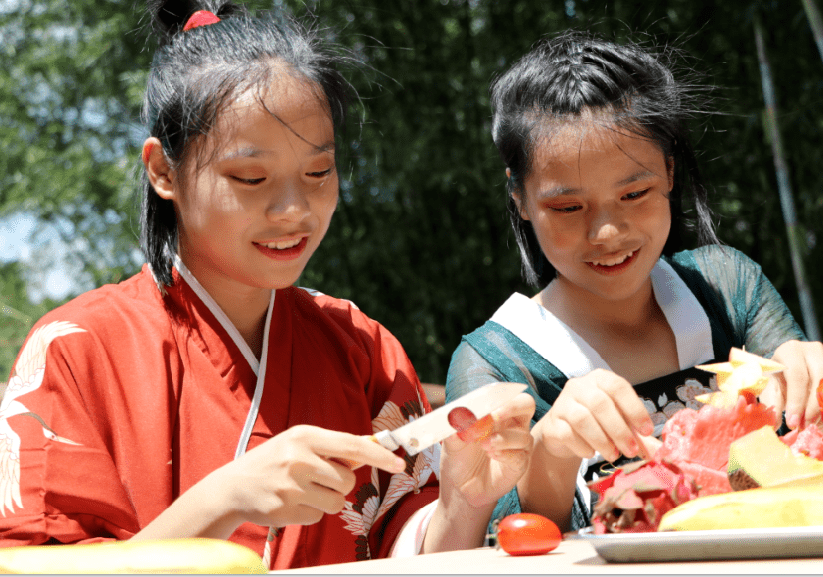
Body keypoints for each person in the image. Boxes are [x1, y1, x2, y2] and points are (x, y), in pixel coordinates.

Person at [0, 0, 536, 569]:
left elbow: (403, 554)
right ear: (162, 170)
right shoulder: (75, 349)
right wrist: (225, 498)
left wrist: (465, 501)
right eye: (250, 177)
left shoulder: (363, 348)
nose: (293, 210)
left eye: (318, 173)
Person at [445, 30, 823, 534]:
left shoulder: (730, 287)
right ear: (519, 199)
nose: (607, 233)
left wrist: (808, 376)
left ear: (669, 172)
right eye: (568, 207)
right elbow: (489, 548)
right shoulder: (496, 366)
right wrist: (553, 449)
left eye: (634, 193)